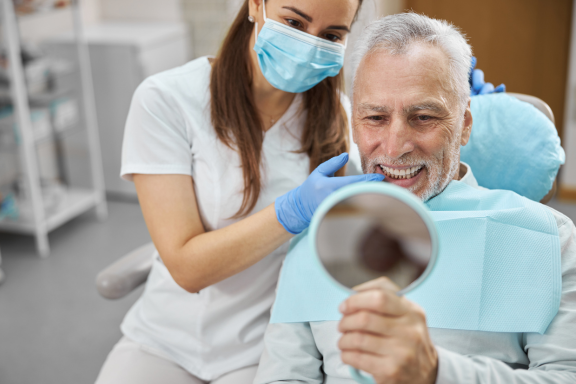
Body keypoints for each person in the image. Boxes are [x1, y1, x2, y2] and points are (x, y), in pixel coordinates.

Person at [95, 0, 500, 382]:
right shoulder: (167, 100)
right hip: (164, 337)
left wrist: (453, 111)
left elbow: (408, 189)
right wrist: (290, 212)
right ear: (256, 5)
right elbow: (186, 267)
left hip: (263, 347)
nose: (309, 44)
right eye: (294, 22)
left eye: (332, 34)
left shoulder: (346, 121)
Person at [254, 13, 576, 384]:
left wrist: (436, 372)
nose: (394, 148)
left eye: (422, 117)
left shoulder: (548, 238)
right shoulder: (314, 241)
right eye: (375, 117)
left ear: (465, 124)